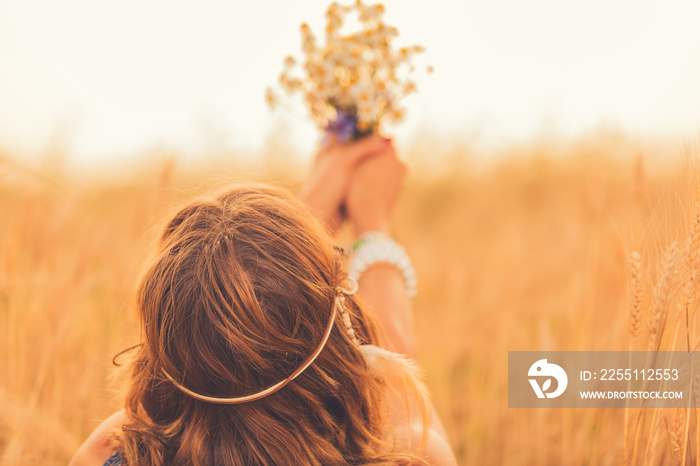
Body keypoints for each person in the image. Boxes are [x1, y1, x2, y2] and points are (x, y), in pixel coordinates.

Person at [70, 135, 458, 465]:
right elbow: (396, 386)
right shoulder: (415, 455)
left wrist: (295, 229)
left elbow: (239, 324)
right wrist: (371, 218)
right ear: (337, 330)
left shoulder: (109, 450)